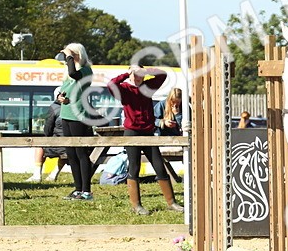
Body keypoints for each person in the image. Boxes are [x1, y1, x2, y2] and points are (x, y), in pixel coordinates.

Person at [107, 68, 184, 216]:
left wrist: (146, 70)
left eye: (141, 75)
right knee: (134, 167)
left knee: (159, 166)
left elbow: (163, 75)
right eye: (135, 75)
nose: (138, 78)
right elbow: (111, 84)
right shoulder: (124, 89)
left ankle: (171, 202)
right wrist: (126, 73)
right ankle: (136, 205)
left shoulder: (146, 87)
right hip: (131, 132)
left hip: (148, 132)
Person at [55, 43, 97, 201]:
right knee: (71, 154)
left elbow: (74, 73)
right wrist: (59, 98)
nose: (68, 58)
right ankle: (78, 189)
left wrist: (69, 55)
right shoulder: (67, 74)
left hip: (79, 115)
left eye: (73, 54)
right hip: (66, 114)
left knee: (81, 154)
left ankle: (87, 191)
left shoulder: (86, 70)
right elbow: (63, 90)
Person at [28, 100, 68, 183]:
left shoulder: (55, 108)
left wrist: (47, 136)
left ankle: (37, 175)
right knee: (66, 151)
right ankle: (53, 175)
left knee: (40, 146)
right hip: (69, 144)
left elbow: (48, 127)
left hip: (57, 143)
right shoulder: (72, 107)